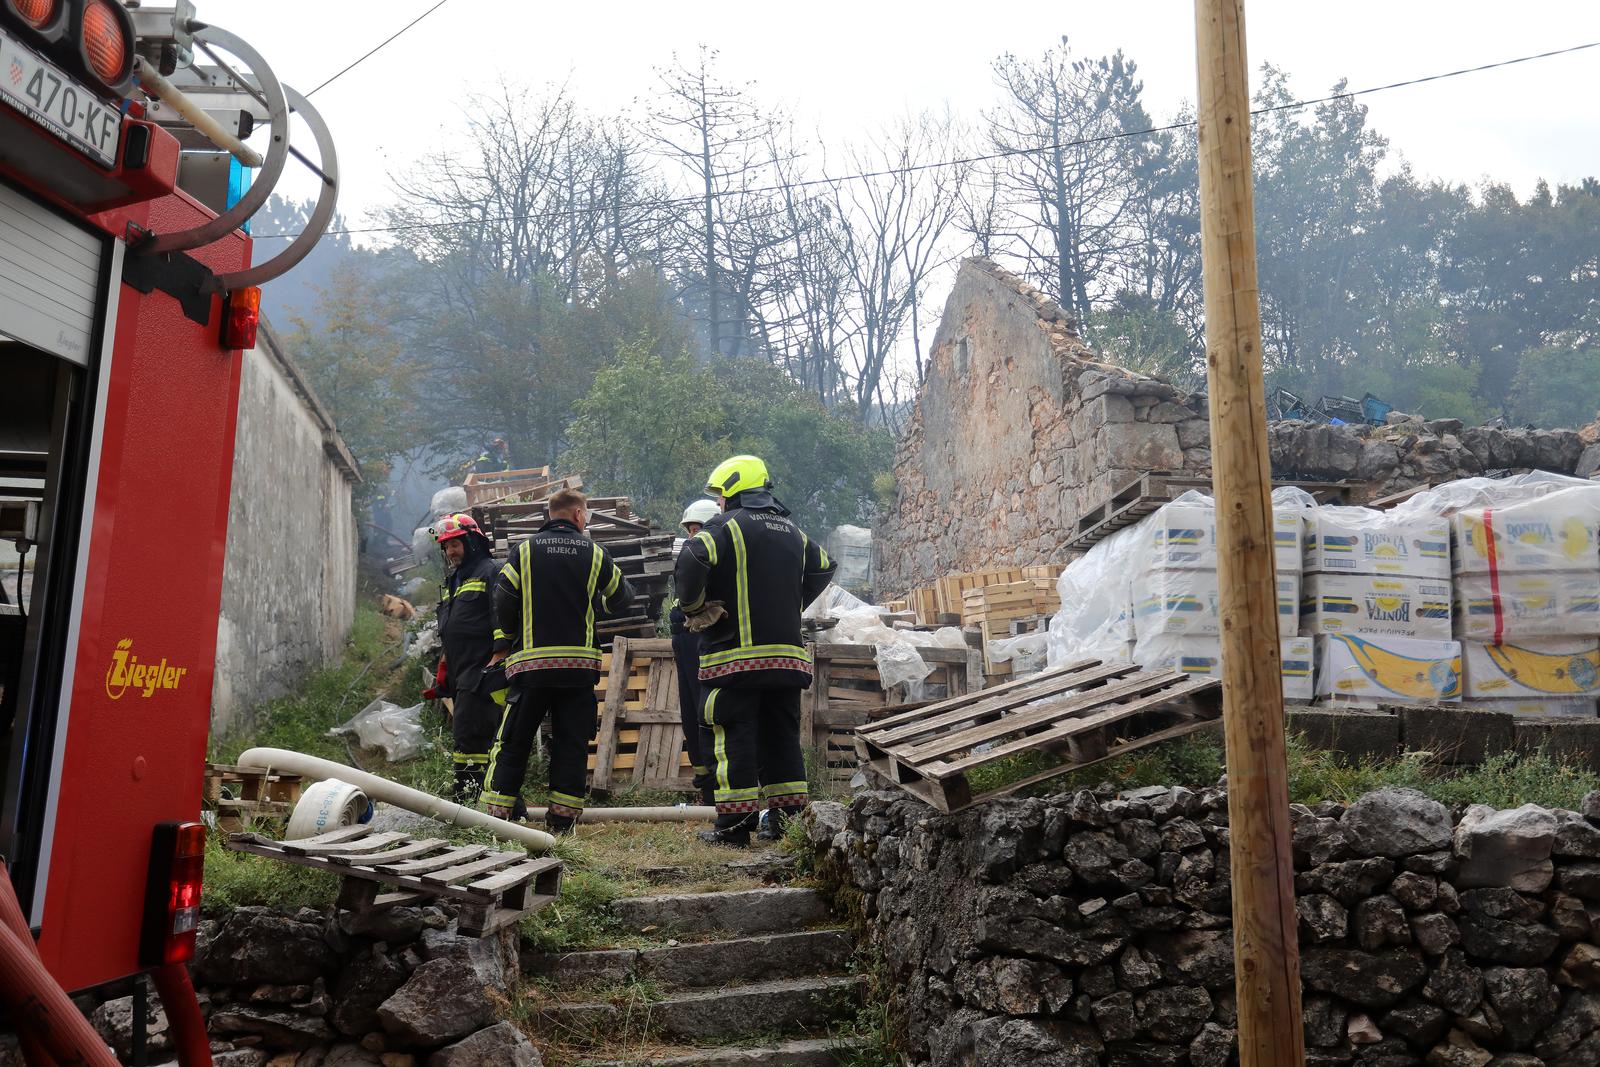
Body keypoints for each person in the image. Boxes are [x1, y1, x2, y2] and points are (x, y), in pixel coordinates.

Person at [675, 456, 836, 847]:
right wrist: (789, 604)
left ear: (735, 491)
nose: (719, 505)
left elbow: (692, 557)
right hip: (786, 660)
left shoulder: (725, 527)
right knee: (781, 738)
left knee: (733, 737)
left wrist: (695, 608)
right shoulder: (793, 532)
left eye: (720, 496)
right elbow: (824, 566)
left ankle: (733, 828)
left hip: (734, 660)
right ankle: (789, 822)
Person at [483, 488, 634, 833]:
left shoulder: (524, 552)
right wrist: (596, 608)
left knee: (514, 740)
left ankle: (496, 818)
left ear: (551, 515)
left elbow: (503, 596)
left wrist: (506, 638)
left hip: (531, 669)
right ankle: (562, 823)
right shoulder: (595, 554)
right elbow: (622, 597)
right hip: (578, 670)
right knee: (572, 743)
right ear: (579, 515)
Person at [424, 513, 507, 803]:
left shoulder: (491, 570)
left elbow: (501, 614)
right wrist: (446, 662)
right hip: (461, 669)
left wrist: (499, 654)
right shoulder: (455, 580)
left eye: (455, 544)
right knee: (469, 733)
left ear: (472, 541)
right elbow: (453, 625)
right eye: (446, 547)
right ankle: (487, 798)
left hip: (482, 668)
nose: (450, 552)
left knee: (470, 735)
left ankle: (467, 800)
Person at [669, 498, 722, 806]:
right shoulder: (692, 558)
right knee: (691, 714)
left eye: (697, 529)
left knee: (709, 714)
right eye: (689, 530)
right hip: (687, 643)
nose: (692, 536)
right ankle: (706, 789)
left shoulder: (721, 560)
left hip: (709, 645)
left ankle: (721, 789)